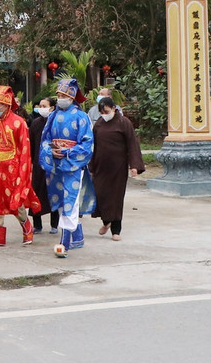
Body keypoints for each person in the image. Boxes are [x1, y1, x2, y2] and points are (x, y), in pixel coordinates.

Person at [39, 78, 95, 258]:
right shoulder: (53, 116)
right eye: (58, 95)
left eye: (63, 95)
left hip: (72, 166)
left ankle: (65, 242)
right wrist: (50, 150)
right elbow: (46, 139)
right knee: (60, 200)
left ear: (71, 97)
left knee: (70, 200)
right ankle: (77, 236)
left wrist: (67, 152)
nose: (60, 98)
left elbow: (87, 144)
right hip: (56, 165)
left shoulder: (81, 117)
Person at [0, 86, 40, 248]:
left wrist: (23, 170)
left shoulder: (19, 123)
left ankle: (27, 227)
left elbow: (25, 149)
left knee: (16, 200)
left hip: (12, 169)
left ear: (6, 105)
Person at [89, 97, 145, 241]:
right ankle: (106, 222)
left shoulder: (124, 123)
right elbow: (94, 146)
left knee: (115, 198)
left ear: (114, 108)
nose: (104, 114)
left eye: (106, 111)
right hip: (101, 167)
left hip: (118, 168)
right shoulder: (99, 124)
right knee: (100, 194)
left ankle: (116, 230)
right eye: (102, 112)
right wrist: (91, 167)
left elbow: (132, 144)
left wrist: (134, 165)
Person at [29, 97, 59, 234]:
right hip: (38, 164)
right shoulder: (35, 123)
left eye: (44, 106)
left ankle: (54, 224)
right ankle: (37, 224)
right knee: (36, 193)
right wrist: (30, 162)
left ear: (52, 108)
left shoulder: (57, 123)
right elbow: (31, 144)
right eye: (40, 106)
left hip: (53, 164)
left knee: (53, 193)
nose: (41, 108)